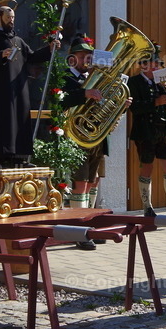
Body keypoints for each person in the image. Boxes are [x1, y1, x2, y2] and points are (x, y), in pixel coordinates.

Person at [0, 2, 60, 167]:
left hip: (19, 88)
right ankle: (4, 157)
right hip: (2, 90)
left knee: (21, 119)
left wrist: (49, 49)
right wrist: (0, 54)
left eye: (13, 18)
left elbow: (32, 57)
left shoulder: (18, 41)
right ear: (0, 18)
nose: (11, 21)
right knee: (5, 122)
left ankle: (20, 157)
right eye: (8, 18)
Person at [127, 40, 166, 217]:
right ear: (143, 66)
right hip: (145, 131)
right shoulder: (134, 82)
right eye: (152, 65)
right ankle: (147, 207)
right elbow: (134, 108)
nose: (155, 67)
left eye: (157, 64)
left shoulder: (163, 82)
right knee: (147, 167)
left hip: (165, 130)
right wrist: (155, 102)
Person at [60, 36, 108, 248]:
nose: (86, 60)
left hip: (97, 137)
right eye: (81, 56)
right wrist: (84, 93)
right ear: (72, 58)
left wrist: (121, 103)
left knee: (93, 181)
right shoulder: (63, 78)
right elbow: (59, 100)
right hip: (77, 137)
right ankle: (79, 232)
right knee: (80, 182)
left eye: (88, 56)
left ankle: (91, 225)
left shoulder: (97, 78)